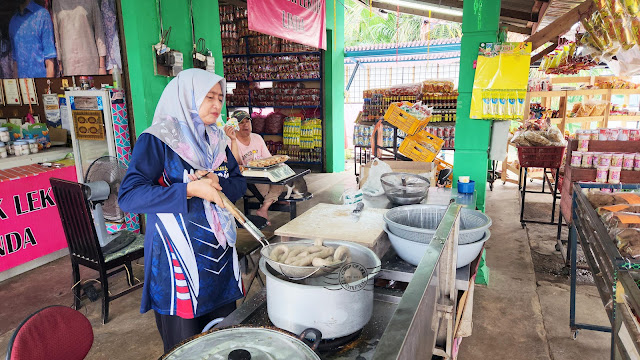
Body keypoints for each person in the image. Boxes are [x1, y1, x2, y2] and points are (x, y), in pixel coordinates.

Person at [118, 69, 246, 353]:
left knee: (222, 339)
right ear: (186, 97)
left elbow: (238, 183)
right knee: (185, 346)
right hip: (179, 265)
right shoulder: (158, 140)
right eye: (208, 97)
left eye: (220, 97)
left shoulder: (217, 140)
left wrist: (218, 183)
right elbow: (129, 196)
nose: (217, 105)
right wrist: (188, 190)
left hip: (220, 257)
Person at [227, 110, 283, 223]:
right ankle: (271, 200)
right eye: (241, 123)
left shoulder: (257, 138)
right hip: (247, 181)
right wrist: (233, 140)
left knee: (281, 178)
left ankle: (264, 208)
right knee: (270, 188)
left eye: (247, 121)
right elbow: (237, 166)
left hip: (263, 175)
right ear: (235, 126)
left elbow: (268, 159)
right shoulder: (230, 142)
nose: (245, 125)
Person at [8, 0, 57, 78]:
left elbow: (50, 59)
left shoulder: (42, 15)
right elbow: (15, 62)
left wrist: (47, 87)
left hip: (41, 84)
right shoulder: (13, 21)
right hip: (22, 86)